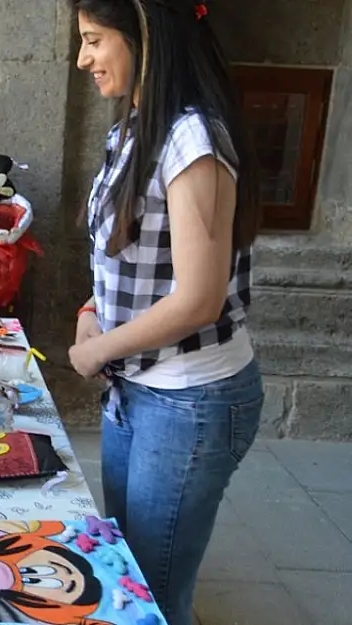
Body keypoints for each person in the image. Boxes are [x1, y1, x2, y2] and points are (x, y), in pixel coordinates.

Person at [66, 1, 263, 623]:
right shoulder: (132, 129)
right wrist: (93, 309)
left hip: (189, 401)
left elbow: (200, 297)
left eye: (95, 40)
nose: (83, 59)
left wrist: (101, 348)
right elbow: (132, 251)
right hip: (138, 387)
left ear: (144, 34)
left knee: (152, 595)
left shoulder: (192, 138)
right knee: (126, 574)